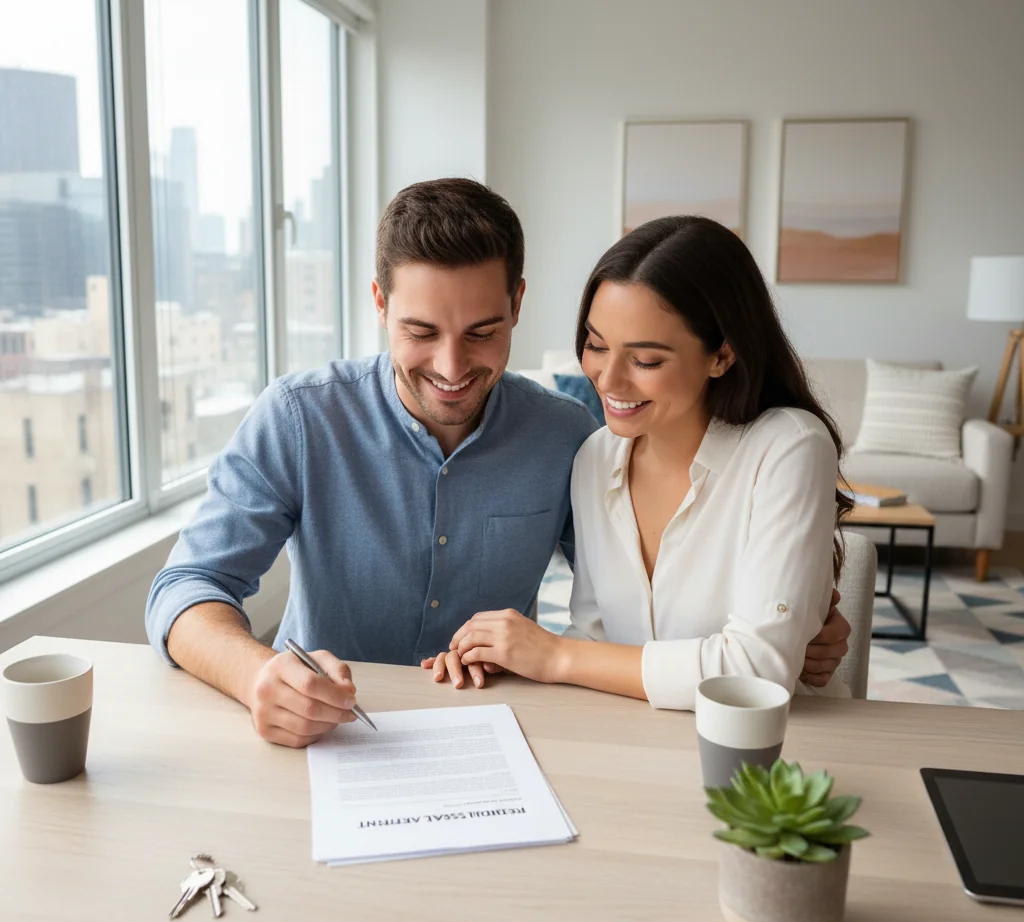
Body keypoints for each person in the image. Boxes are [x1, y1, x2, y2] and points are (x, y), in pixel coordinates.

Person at [145, 180, 851, 747]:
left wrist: (792, 621)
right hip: (325, 738)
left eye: (483, 332)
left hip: (498, 739)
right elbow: (185, 587)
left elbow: (644, 596)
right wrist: (259, 676)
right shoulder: (299, 418)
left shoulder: (571, 438)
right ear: (380, 304)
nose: (452, 368)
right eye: (420, 332)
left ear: (518, 303)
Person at [433, 215, 854, 705]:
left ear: (722, 354)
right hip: (639, 742)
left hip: (773, 754)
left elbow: (754, 672)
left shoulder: (789, 447)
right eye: (595, 345)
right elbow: (596, 637)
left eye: (645, 360)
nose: (608, 380)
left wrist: (553, 656)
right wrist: (503, 657)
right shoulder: (596, 457)